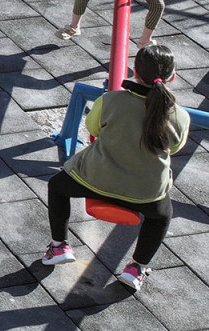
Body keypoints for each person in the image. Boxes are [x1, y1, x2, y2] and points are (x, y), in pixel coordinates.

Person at [39, 44, 190, 291]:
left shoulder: (110, 100)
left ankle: (59, 246)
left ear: (135, 72)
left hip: (94, 179)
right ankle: (137, 268)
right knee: (161, 217)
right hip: (144, 193)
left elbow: (93, 128)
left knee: (57, 186)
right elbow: (174, 148)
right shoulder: (179, 116)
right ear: (172, 77)